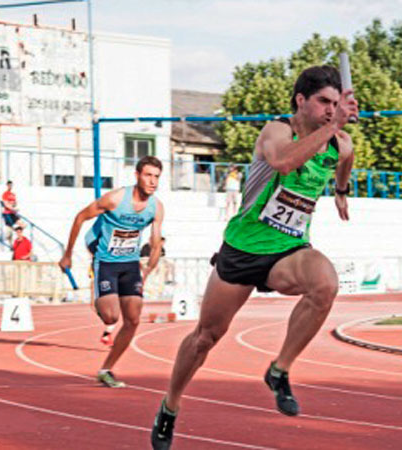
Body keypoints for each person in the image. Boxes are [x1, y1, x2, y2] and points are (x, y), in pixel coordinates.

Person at [151, 65, 357, 449]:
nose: (331, 110)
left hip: (289, 249)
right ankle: (170, 407)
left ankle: (279, 370)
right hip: (244, 249)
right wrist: (333, 127)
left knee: (325, 284)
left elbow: (344, 158)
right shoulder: (277, 131)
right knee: (205, 338)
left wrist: (341, 190)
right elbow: (283, 162)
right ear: (301, 101)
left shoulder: (340, 142)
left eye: (336, 104)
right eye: (323, 103)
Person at [58, 156, 165, 388]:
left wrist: (147, 270)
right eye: (148, 175)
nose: (153, 181)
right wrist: (67, 254)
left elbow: (156, 243)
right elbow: (80, 217)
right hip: (105, 261)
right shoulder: (115, 199)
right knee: (111, 317)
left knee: (134, 319)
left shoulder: (156, 208)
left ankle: (106, 369)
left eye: (157, 177)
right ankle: (98, 293)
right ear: (137, 176)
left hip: (130, 264)